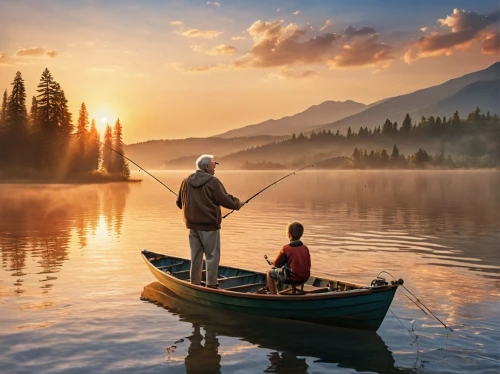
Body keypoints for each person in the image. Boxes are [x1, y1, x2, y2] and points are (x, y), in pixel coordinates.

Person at [176, 154, 243, 289]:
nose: (215, 168)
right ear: (206, 167)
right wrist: (238, 204)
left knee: (196, 256)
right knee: (212, 256)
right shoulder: (213, 182)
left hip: (192, 226)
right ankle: (211, 284)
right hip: (209, 227)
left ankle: (194, 283)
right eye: (213, 165)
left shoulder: (186, 181)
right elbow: (226, 200)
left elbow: (179, 203)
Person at [266, 222, 311, 295]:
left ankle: (274, 296)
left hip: (292, 279)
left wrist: (273, 263)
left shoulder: (286, 249)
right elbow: (308, 265)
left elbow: (277, 264)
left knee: (269, 273)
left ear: (289, 234)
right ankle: (299, 291)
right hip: (305, 277)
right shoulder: (305, 248)